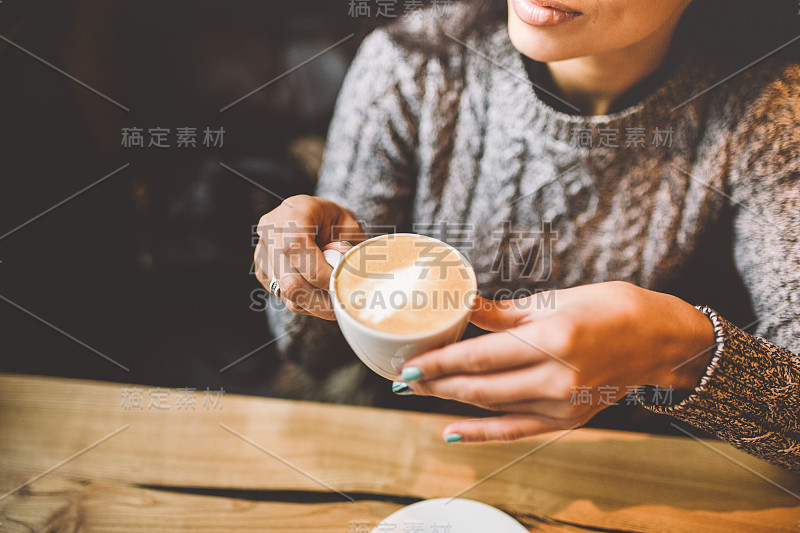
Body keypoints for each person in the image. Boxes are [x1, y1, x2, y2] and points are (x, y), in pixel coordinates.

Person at [254, 0, 800, 471]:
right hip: (395, 449)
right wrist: (300, 271)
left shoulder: (767, 107)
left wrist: (682, 348)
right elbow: (311, 353)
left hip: (613, 464)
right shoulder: (413, 62)